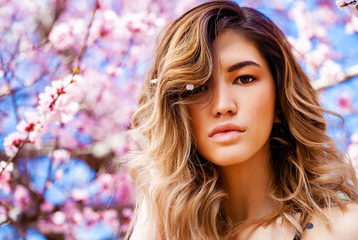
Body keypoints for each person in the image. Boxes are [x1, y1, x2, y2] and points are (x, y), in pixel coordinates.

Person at [125, 1, 358, 239]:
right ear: (174, 110)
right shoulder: (163, 230)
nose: (223, 105)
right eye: (197, 88)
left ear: (279, 98)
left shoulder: (347, 228)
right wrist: (154, 204)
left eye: (244, 79)